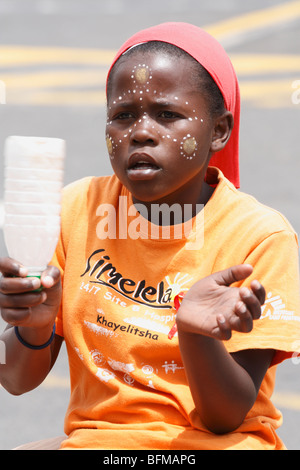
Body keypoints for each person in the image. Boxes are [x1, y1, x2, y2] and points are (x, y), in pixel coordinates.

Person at [0, 22, 300, 451]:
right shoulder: (76, 210)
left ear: (218, 130)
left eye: (167, 114)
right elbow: (12, 378)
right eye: (122, 116)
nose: (140, 132)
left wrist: (196, 337)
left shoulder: (259, 237)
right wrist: (36, 326)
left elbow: (225, 418)